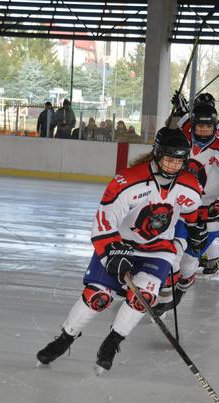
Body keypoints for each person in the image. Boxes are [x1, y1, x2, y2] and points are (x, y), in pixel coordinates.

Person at [35, 127, 202, 374]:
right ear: (157, 154)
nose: (173, 165)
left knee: (143, 297)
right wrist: (111, 250)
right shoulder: (128, 181)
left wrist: (183, 240)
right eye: (168, 158)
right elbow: (104, 220)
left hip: (158, 249)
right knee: (97, 297)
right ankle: (65, 338)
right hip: (120, 243)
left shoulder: (189, 186)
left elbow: (189, 218)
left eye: (179, 160)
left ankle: (113, 342)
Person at [153, 102, 219, 314]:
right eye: (199, 126)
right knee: (172, 251)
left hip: (211, 215)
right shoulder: (183, 143)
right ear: (192, 125)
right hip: (184, 209)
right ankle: (165, 296)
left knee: (189, 262)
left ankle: (182, 287)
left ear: (216, 126)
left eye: (208, 126)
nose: (203, 130)